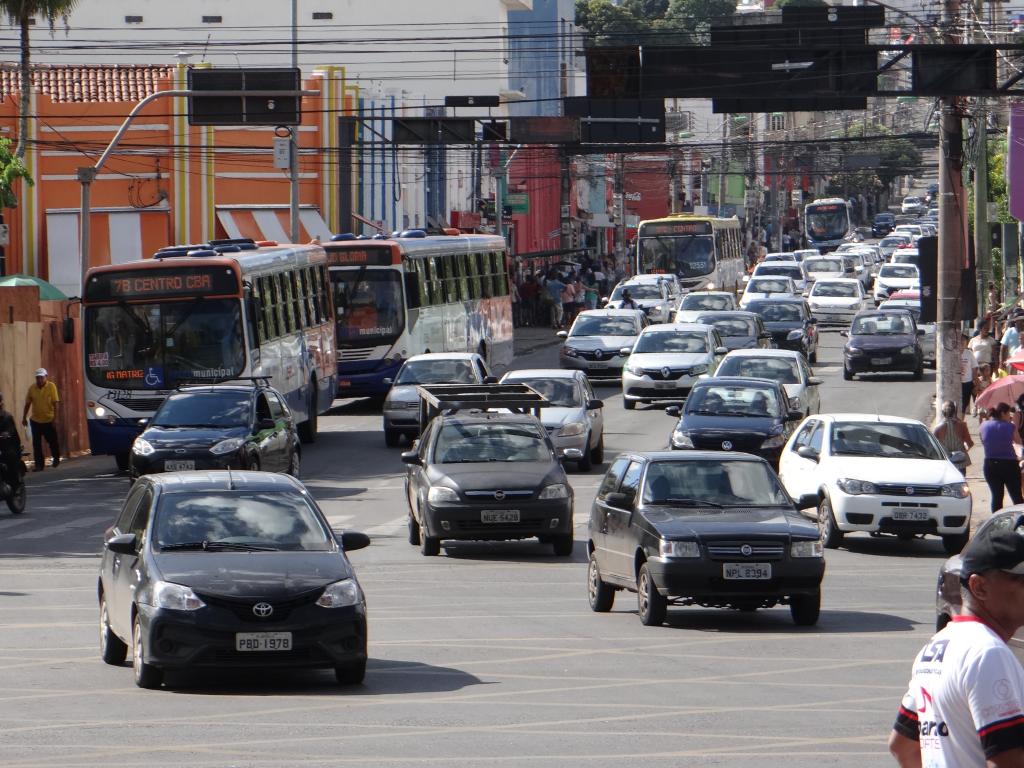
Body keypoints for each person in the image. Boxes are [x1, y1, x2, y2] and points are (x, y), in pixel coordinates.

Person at [889, 521, 1024, 768]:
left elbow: (903, 746)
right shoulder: (987, 653)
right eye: (1022, 579)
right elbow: (1008, 762)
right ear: (979, 586)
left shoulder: (937, 646)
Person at [979, 402, 1023, 513]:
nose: (1010, 416)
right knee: (1016, 496)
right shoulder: (1010, 426)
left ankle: (995, 523)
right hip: (1009, 465)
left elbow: (984, 441)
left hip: (990, 465)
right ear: (1003, 413)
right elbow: (1018, 442)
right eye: (1009, 413)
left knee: (997, 496)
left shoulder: (984, 425)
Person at [22, 368, 60, 471]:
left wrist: (55, 419)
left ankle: (56, 457)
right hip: (36, 420)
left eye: (41, 377)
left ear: (45, 377)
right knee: (36, 444)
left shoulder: (51, 386)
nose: (39, 380)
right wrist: (24, 417)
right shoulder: (32, 388)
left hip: (48, 419)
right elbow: (27, 404)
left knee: (52, 441)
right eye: (38, 378)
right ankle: (39, 465)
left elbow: (55, 403)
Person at [932, 399, 973, 475]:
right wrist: (963, 452)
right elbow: (970, 443)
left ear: (943, 412)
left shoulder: (937, 428)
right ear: (954, 412)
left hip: (945, 464)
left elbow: (933, 446)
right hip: (960, 464)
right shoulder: (962, 425)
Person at [0, 392, 21, 491]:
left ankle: (15, 484)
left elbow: (11, 429)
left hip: (7, 445)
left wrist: (6, 433)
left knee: (9, 456)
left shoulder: (6, 416)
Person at [960, 332, 979, 417]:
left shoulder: (969, 353)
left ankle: (961, 421)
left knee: (964, 403)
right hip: (956, 383)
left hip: (967, 382)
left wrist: (975, 381)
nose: (962, 342)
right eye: (960, 340)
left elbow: (974, 368)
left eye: (964, 341)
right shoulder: (953, 353)